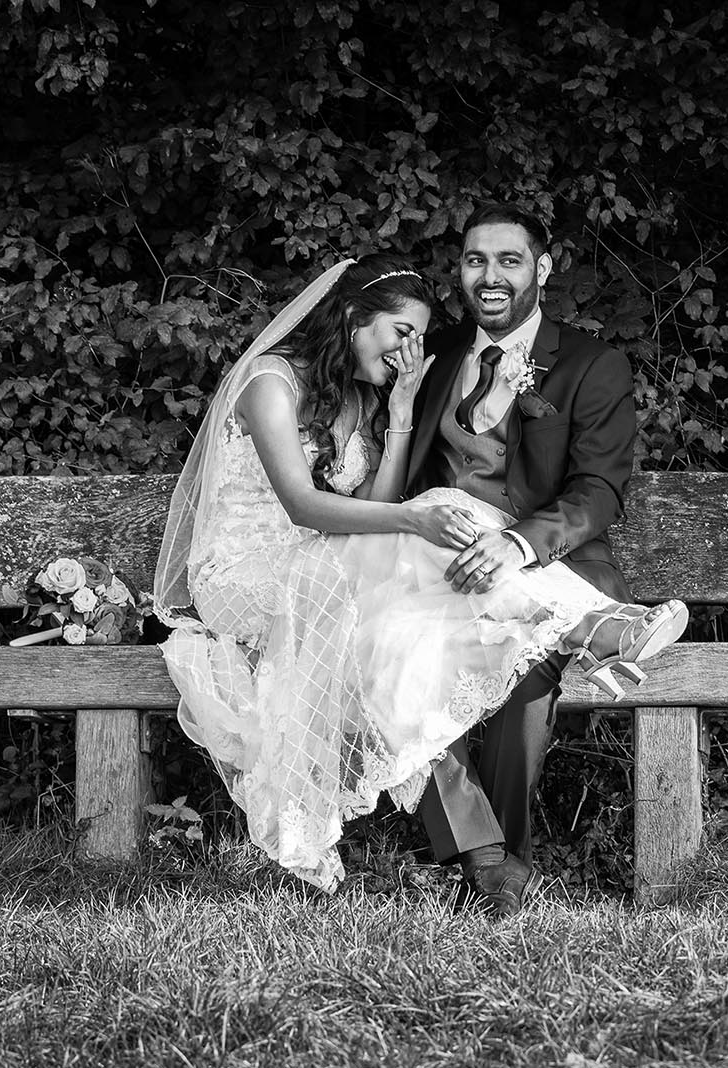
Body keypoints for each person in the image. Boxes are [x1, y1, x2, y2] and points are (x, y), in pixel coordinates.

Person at [154, 251, 686, 896]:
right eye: (402, 333)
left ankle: (486, 856)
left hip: (320, 566)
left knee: (401, 632)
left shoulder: (359, 395)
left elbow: (376, 508)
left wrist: (402, 412)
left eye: (419, 339)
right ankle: (588, 627)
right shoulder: (272, 381)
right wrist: (412, 522)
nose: (411, 352)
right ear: (353, 318)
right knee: (429, 518)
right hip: (248, 573)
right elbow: (305, 506)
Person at [407, 203, 667, 917]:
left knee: (522, 676)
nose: (488, 276)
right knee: (391, 664)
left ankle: (495, 866)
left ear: (543, 270)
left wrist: (516, 544)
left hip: (544, 573)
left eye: (508, 260)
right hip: (436, 575)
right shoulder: (433, 360)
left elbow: (600, 489)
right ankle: (488, 861)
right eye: (474, 260)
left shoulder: (589, 364)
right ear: (459, 271)